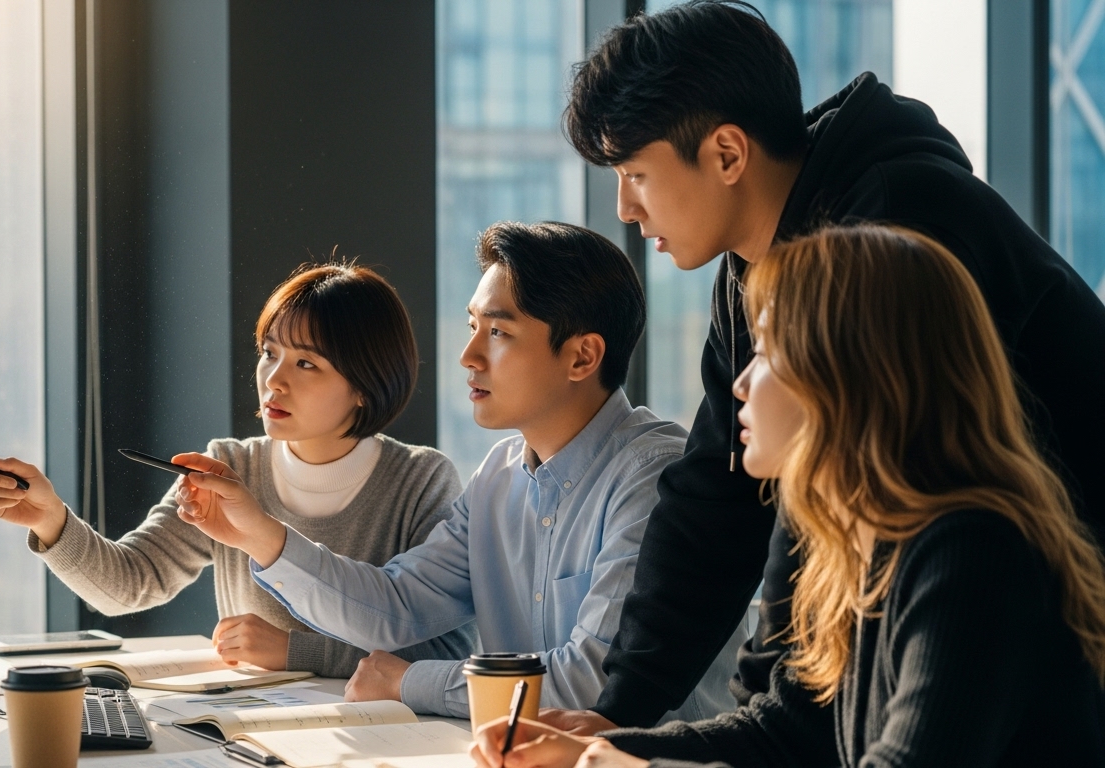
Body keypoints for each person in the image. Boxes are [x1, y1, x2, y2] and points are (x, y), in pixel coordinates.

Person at [543, 0, 1105, 733]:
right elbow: (717, 493)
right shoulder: (753, 270)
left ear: (726, 154)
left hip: (1038, 619)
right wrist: (615, 718)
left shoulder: (887, 232)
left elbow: (828, 483)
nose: (625, 207)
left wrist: (753, 724)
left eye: (636, 173)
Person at [473, 224, 1105, 768]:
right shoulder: (855, 541)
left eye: (770, 350)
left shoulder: (974, 552)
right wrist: (610, 748)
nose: (741, 383)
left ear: (853, 373)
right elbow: (788, 733)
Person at [169, 221, 742, 719]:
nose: (469, 355)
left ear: (582, 356)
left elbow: (589, 684)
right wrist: (259, 535)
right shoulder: (497, 477)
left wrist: (408, 682)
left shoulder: (653, 477)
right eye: (472, 326)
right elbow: (396, 606)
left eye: (497, 332)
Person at [0, 263, 475, 678]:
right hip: (255, 728)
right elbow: (130, 582)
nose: (273, 380)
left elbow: (446, 653)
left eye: (307, 364)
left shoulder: (420, 480)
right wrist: (50, 520)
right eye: (269, 353)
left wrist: (293, 652)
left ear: (366, 384)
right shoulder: (233, 467)